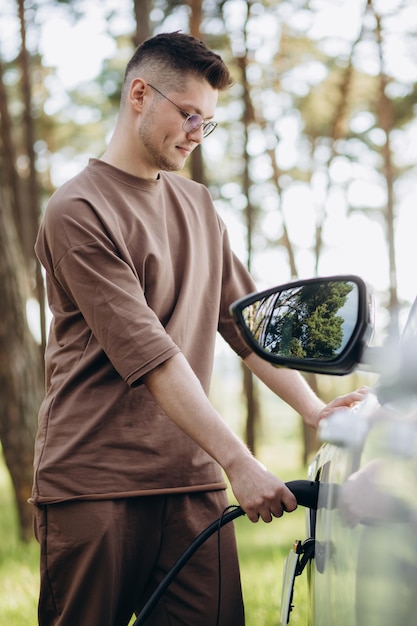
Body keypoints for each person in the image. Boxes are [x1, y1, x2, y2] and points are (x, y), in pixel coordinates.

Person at [31, 31, 367, 626]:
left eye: (207, 122)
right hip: (96, 484)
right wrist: (240, 461)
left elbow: (249, 331)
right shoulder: (78, 210)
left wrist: (315, 412)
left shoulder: (198, 205)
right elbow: (153, 356)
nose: (196, 132)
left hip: (191, 481)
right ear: (139, 93)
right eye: (189, 115)